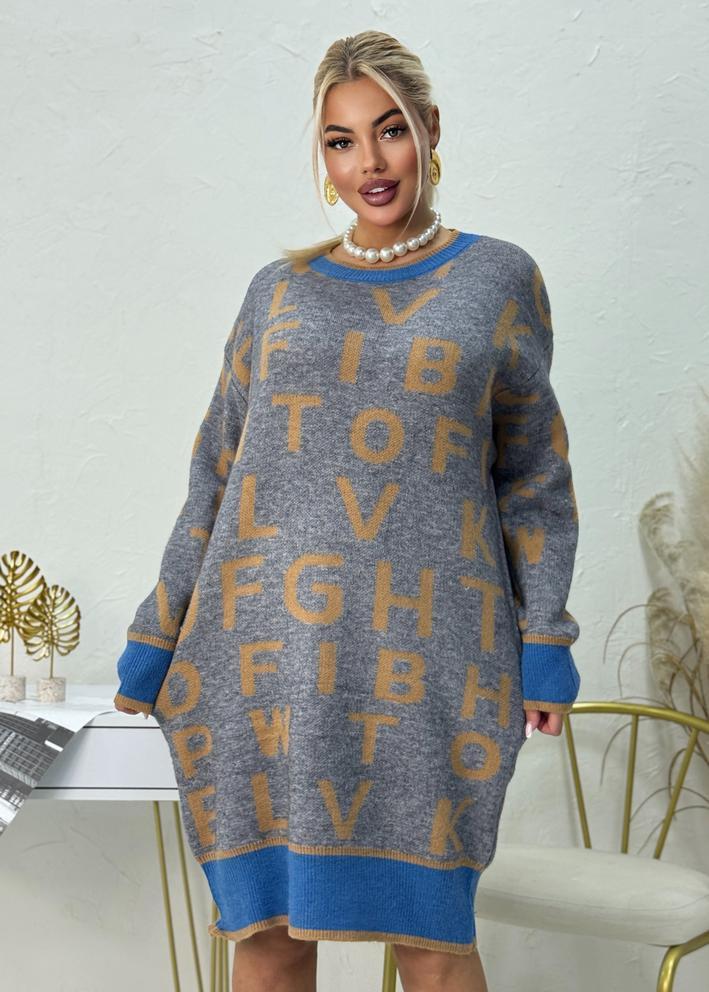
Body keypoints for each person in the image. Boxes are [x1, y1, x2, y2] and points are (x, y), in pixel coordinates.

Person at [114, 29, 581, 992]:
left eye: (389, 130)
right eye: (340, 140)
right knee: (268, 937)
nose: (369, 162)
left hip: (431, 656)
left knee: (434, 945)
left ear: (430, 130)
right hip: (263, 654)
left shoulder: (498, 279)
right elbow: (216, 469)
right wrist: (156, 633)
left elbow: (534, 477)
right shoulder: (277, 292)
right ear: (322, 158)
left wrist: (545, 638)